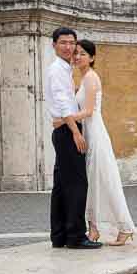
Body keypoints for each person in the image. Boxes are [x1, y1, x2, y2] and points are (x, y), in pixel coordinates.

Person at [54, 40, 136, 246]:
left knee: (104, 181)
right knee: (90, 183)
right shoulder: (82, 79)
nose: (77, 57)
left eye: (82, 54)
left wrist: (66, 118)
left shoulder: (90, 78)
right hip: (87, 132)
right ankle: (94, 228)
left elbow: (89, 111)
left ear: (92, 58)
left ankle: (124, 228)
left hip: (94, 133)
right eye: (76, 54)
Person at [45, 28, 102, 250]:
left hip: (63, 129)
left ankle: (59, 235)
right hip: (69, 131)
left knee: (61, 185)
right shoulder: (58, 70)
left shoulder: (65, 69)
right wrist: (76, 132)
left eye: (72, 43)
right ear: (54, 45)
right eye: (63, 43)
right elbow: (61, 103)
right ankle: (76, 236)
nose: (69, 47)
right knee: (77, 184)